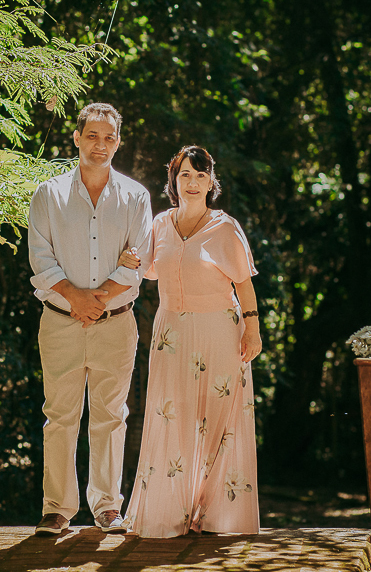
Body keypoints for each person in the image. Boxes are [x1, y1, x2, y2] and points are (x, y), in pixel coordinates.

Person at [121, 145, 262, 537]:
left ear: (211, 182)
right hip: (172, 334)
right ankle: (169, 513)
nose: (193, 182)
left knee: (220, 419)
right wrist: (130, 258)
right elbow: (147, 267)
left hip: (220, 329)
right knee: (173, 414)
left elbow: (244, 283)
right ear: (174, 180)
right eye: (185, 174)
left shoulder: (225, 227)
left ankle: (217, 514)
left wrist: (253, 328)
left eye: (201, 175)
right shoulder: (161, 224)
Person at [27, 103, 153, 535]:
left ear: (118, 142)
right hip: (59, 321)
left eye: (110, 137)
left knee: (111, 415)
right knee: (59, 415)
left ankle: (106, 507)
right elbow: (41, 258)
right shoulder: (48, 194)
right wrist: (74, 297)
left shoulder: (136, 197)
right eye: (93, 135)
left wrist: (95, 301)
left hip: (116, 323)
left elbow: (138, 262)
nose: (101, 145)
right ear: (76, 138)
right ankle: (57, 509)